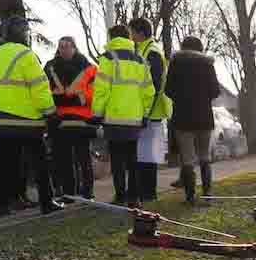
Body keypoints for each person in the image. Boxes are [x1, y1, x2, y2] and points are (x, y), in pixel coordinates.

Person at [0, 16, 63, 216]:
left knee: (5, 162)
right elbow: (39, 87)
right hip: (27, 120)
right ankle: (46, 201)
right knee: (39, 161)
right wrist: (50, 112)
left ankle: (2, 205)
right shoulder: (26, 55)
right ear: (23, 33)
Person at [91, 24, 155, 207]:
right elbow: (148, 92)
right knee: (133, 160)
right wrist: (145, 114)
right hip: (135, 119)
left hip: (114, 119)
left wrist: (97, 114)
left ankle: (120, 196)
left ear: (111, 38)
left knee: (117, 161)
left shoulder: (108, 58)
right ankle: (134, 197)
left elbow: (102, 89)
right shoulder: (140, 61)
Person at [164, 36, 221, 204]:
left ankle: (190, 197)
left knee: (187, 158)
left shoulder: (176, 63)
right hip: (204, 116)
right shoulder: (207, 64)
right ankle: (207, 192)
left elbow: (168, 90)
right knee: (204, 155)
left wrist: (180, 98)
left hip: (182, 117)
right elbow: (215, 91)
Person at [44, 37, 97, 200]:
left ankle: (87, 192)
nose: (64, 49)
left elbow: (94, 93)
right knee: (65, 159)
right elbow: (44, 90)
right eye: (61, 47)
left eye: (67, 46)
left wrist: (66, 98)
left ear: (75, 48)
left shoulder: (88, 68)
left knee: (83, 157)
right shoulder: (50, 67)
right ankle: (69, 193)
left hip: (79, 119)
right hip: (61, 119)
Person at [129, 18, 172, 203]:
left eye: (132, 32)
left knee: (148, 157)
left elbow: (153, 86)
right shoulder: (144, 50)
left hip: (151, 113)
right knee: (144, 155)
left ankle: (148, 193)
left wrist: (145, 112)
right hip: (148, 112)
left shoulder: (151, 53)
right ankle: (145, 192)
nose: (130, 36)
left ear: (139, 33)